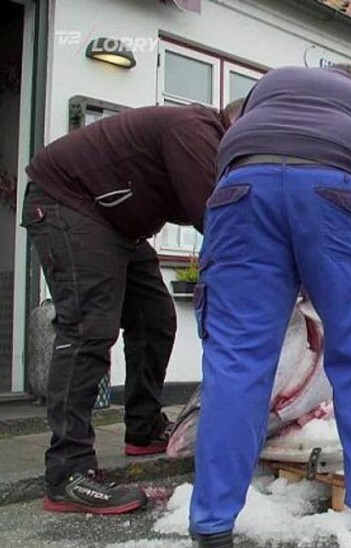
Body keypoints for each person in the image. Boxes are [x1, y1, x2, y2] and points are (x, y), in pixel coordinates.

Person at [188, 64, 351, 546]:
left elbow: (235, 158)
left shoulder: (270, 84)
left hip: (243, 189)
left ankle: (212, 524)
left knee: (237, 361)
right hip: (338, 193)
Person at [22, 100, 243, 515]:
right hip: (67, 203)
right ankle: (67, 474)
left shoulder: (207, 142)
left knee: (155, 318)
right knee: (88, 328)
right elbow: (217, 218)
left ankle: (142, 429)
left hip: (117, 225)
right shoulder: (196, 128)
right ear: (237, 124)